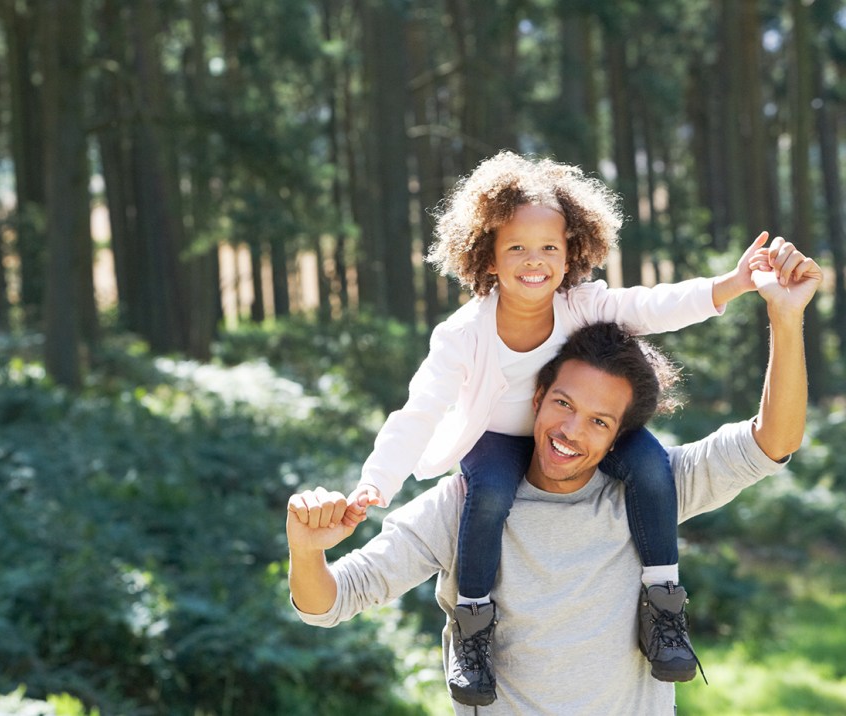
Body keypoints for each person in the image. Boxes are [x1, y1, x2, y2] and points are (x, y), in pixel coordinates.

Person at [287, 238, 821, 715]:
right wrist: (308, 552)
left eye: (599, 422)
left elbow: (773, 442)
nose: (570, 431)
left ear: (619, 438)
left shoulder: (649, 489)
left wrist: (785, 317)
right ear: (537, 396)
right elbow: (331, 602)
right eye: (562, 403)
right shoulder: (464, 505)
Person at [338, 151, 767, 704]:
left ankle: (663, 604)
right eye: (515, 247)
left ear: (572, 254)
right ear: (487, 257)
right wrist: (377, 481)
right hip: (495, 443)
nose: (533, 260)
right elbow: (419, 410)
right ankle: (474, 628)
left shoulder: (582, 304)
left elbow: (653, 305)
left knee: (651, 466)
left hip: (568, 428)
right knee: (487, 495)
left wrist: (730, 285)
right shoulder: (462, 334)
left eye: (549, 247)